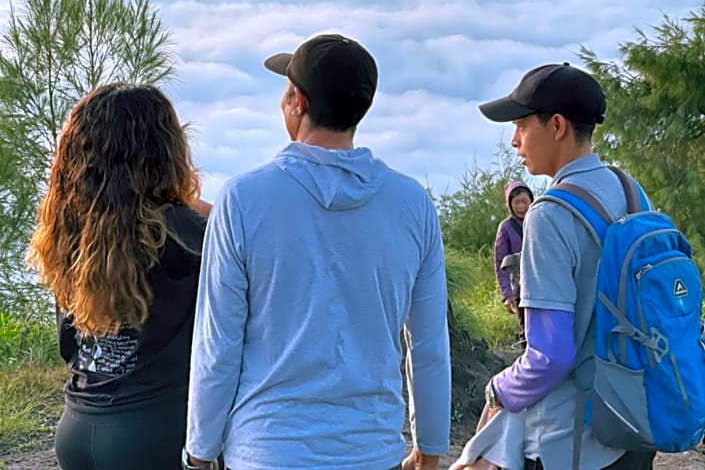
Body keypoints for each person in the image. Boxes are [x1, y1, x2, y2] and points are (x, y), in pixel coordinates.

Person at [184, 33, 451, 470]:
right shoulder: (412, 204)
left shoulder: (243, 200)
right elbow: (427, 341)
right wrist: (431, 446)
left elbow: (220, 342)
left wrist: (201, 450)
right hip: (371, 449)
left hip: (266, 450)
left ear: (298, 101)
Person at [451, 62, 655, 470]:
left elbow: (550, 357)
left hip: (573, 442)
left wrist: (497, 389)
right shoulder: (631, 191)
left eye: (522, 125)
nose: (514, 140)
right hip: (634, 423)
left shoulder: (551, 214)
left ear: (557, 125)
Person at [28, 84, 211, 470]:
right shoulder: (188, 234)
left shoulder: (68, 233)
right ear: (167, 151)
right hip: (154, 433)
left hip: (77, 427)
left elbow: (68, 346)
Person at [494, 182, 534, 341]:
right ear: (509, 205)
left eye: (525, 201)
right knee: (526, 328)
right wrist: (506, 295)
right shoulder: (506, 228)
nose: (521, 206)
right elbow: (500, 263)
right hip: (520, 286)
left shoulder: (540, 220)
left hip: (544, 282)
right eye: (516, 202)